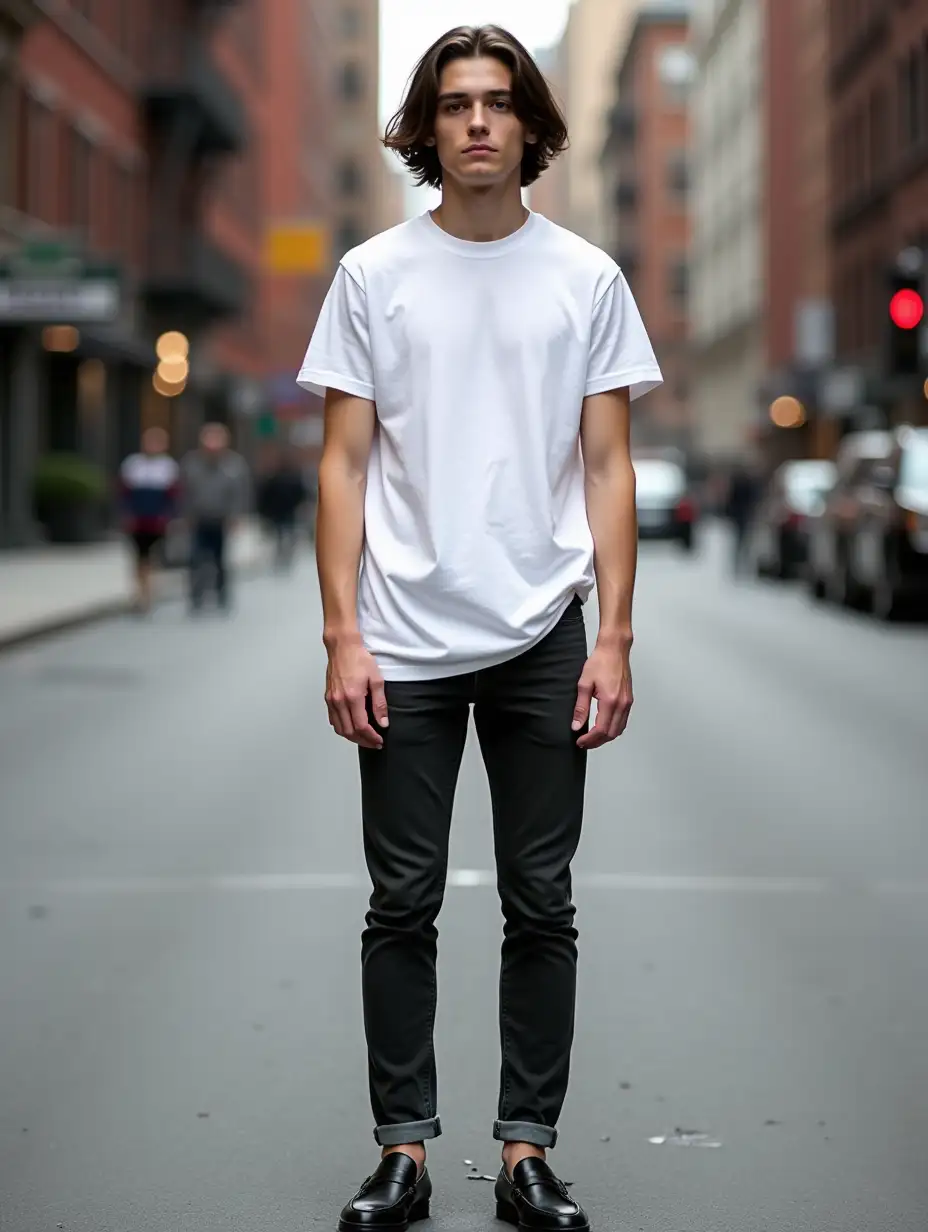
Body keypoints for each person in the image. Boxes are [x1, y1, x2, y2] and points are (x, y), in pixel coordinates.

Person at [298, 25, 662, 1232]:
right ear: (426, 125)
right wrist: (342, 633)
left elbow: (607, 466)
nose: (476, 123)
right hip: (401, 635)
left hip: (542, 634)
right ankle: (400, 1150)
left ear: (530, 125)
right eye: (454, 103)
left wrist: (611, 637)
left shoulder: (585, 278)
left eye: (498, 103)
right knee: (400, 901)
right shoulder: (371, 274)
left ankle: (523, 1154)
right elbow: (343, 465)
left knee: (539, 899)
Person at [180, 422, 250, 612]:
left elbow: (240, 493)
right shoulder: (191, 463)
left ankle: (221, 592)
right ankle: (196, 594)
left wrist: (236, 517)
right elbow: (184, 492)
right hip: (199, 518)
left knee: (220, 559)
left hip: (221, 519)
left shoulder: (234, 465)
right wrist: (184, 516)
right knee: (196, 557)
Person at [118, 427, 180, 614]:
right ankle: (141, 592)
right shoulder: (133, 464)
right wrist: (125, 515)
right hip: (138, 519)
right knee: (138, 556)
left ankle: (149, 591)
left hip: (157, 520)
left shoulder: (168, 467)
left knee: (153, 557)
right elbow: (124, 494)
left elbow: (173, 497)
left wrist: (171, 518)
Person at [256, 445, 308, 570]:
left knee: (286, 534)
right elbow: (266, 495)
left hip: (286, 511)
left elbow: (300, 494)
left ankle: (285, 553)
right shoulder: (275, 478)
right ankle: (283, 553)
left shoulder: (291, 478)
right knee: (282, 534)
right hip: (280, 511)